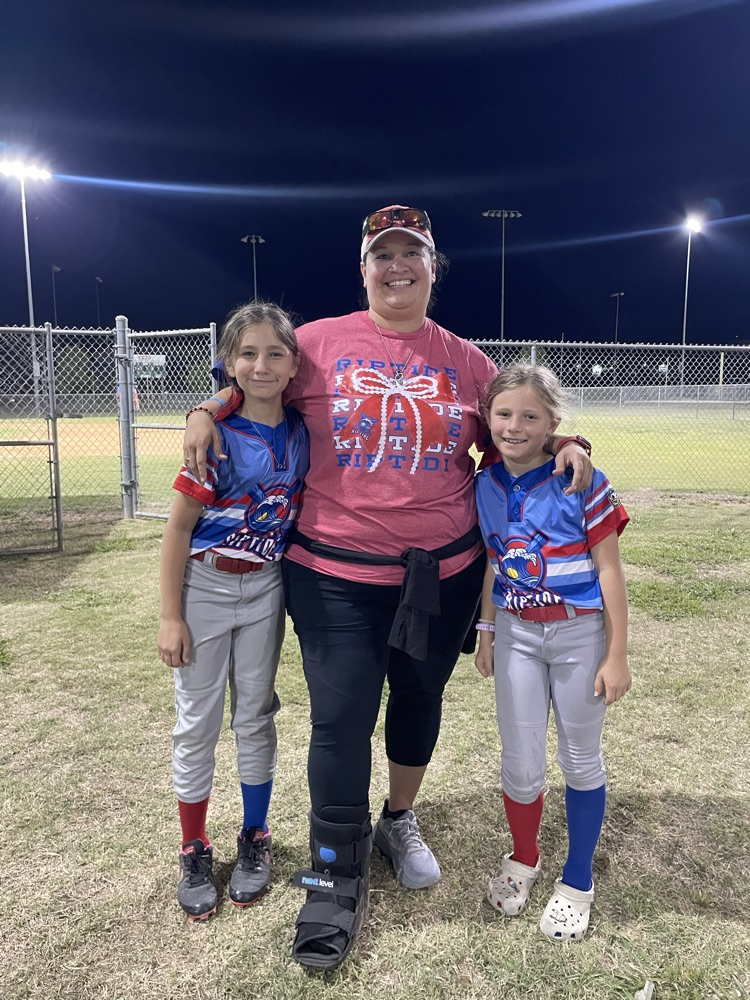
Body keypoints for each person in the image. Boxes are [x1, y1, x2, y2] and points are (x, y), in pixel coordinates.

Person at [182, 206, 592, 967]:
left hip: (441, 572)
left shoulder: (467, 360)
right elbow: (252, 377)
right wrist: (207, 408)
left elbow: (515, 429)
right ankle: (334, 872)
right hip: (333, 573)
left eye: (412, 254)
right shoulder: (317, 344)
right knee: (341, 718)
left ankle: (397, 819)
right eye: (383, 255)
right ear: (363, 268)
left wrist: (568, 439)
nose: (397, 266)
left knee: (417, 698)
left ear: (434, 267)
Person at [157, 301, 309, 920]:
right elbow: (177, 529)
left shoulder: (301, 429)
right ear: (228, 361)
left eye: (275, 353)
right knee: (198, 720)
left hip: (265, 585)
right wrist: (171, 616)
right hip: (206, 584)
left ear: (295, 364)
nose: (261, 365)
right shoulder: (216, 434)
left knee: (254, 714)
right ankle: (194, 845)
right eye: (247, 353)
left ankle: (255, 835)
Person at [474, 363, 631, 942]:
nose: (514, 427)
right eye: (504, 414)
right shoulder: (484, 483)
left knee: (580, 758)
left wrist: (617, 653)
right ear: (488, 418)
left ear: (552, 423)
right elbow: (494, 560)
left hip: (578, 635)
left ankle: (578, 879)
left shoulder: (580, 478)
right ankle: (524, 857)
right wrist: (487, 630)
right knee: (520, 761)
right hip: (516, 634)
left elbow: (609, 570)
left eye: (530, 416)